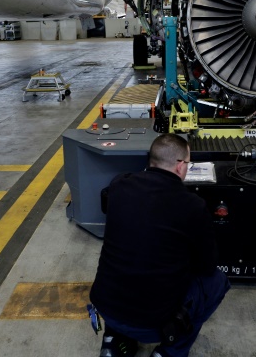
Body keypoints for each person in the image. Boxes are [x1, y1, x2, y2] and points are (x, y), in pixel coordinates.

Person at [90, 133, 230, 357]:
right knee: (217, 282)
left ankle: (114, 342)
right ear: (180, 166)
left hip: (106, 308)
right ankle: (170, 352)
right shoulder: (193, 206)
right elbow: (207, 265)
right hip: (153, 325)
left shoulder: (118, 185)